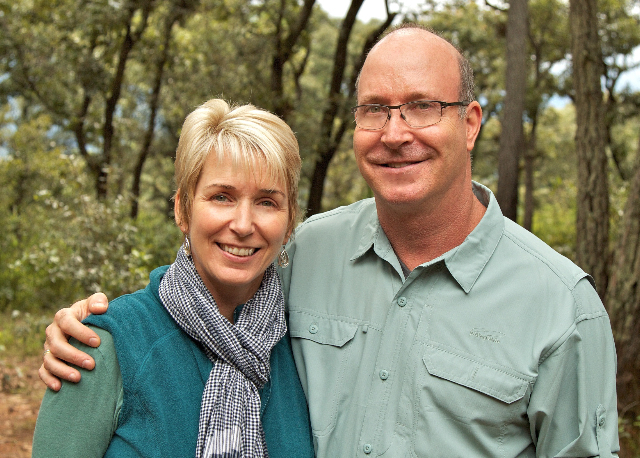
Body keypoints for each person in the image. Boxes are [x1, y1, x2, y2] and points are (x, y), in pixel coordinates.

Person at [38, 24, 620, 457]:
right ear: (181, 208)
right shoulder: (307, 258)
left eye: (422, 107)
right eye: (375, 110)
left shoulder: (562, 308)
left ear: (469, 122)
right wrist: (86, 328)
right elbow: (193, 295)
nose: (396, 134)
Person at [32, 99, 314, 458]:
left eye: (266, 202)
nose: (243, 225)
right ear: (183, 209)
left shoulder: (305, 349)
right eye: (222, 197)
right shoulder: (103, 344)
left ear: (289, 222)